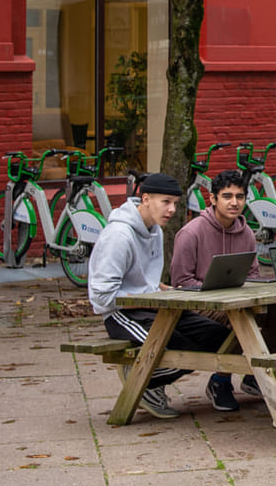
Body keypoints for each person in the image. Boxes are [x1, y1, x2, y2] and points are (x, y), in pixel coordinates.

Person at [87, 172, 230, 421]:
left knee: (219, 339)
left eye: (175, 203)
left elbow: (146, 281)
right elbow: (101, 295)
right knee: (182, 350)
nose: (172, 209)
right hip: (121, 314)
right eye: (166, 202)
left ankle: (149, 380)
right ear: (145, 199)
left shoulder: (155, 230)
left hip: (155, 307)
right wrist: (150, 298)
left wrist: (167, 291)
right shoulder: (119, 236)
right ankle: (142, 380)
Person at [169, 168, 276, 412]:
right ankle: (220, 381)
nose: (234, 202)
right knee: (239, 319)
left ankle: (255, 374)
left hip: (238, 302)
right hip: (199, 306)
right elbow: (180, 282)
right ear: (213, 199)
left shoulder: (247, 233)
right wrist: (214, 292)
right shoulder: (191, 233)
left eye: (240, 197)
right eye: (227, 196)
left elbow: (252, 276)